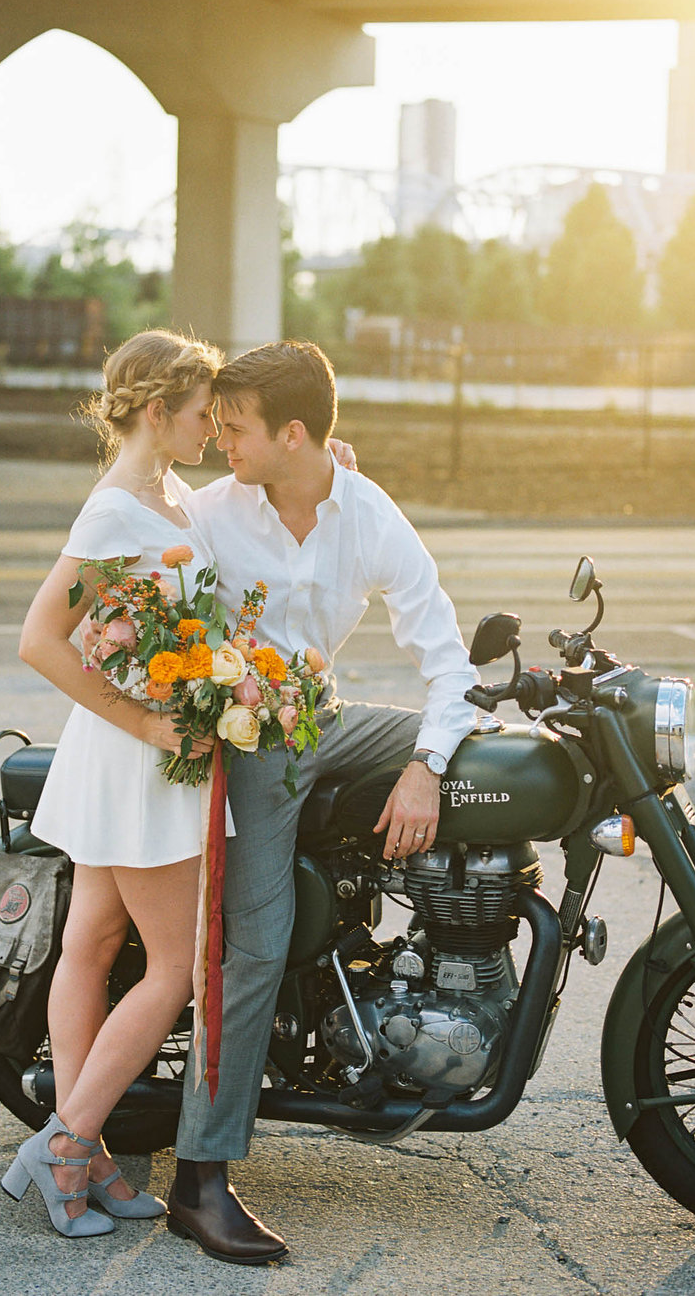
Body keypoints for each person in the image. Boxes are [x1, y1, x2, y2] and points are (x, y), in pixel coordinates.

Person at [162, 340, 479, 1265]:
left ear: (295, 434)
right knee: (252, 941)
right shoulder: (213, 513)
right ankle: (200, 1177)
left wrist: (427, 763)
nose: (221, 438)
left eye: (237, 426)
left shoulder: (365, 511)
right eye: (217, 423)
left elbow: (445, 656)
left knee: (484, 758)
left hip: (322, 718)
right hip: (247, 741)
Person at [4, 329, 223, 1237]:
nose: (212, 427)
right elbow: (39, 640)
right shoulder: (113, 513)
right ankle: (65, 1145)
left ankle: (83, 1153)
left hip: (133, 751)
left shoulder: (171, 493)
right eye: (203, 412)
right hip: (134, 755)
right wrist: (142, 721)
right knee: (172, 966)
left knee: (91, 946)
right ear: (158, 409)